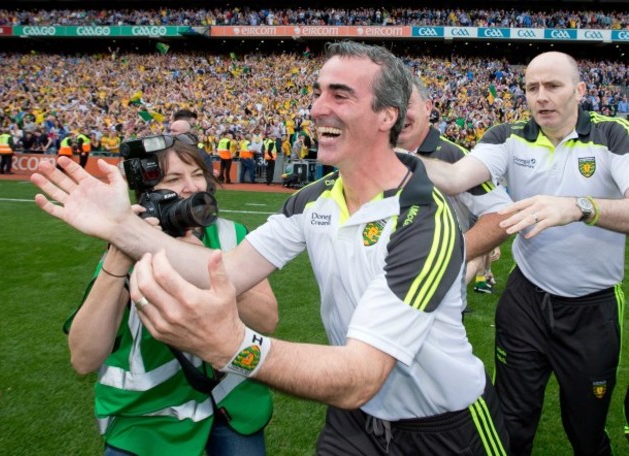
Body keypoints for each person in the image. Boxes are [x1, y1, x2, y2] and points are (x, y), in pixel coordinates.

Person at [32, 41, 509, 455]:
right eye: (318, 93)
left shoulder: (424, 220)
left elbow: (360, 373)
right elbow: (230, 270)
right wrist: (120, 227)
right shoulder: (314, 198)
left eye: (339, 95)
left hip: (444, 426)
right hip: (355, 422)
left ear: (388, 116)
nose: (318, 108)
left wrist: (233, 347)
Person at [415, 51, 629, 455]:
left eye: (553, 86)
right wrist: (391, 156)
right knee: (512, 422)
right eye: (532, 88)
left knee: (586, 430)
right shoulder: (506, 136)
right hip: (526, 301)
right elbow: (457, 176)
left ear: (580, 90)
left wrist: (580, 207)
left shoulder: (612, 135)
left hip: (592, 308)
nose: (541, 97)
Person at [65, 136, 277, 456]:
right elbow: (84, 359)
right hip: (148, 418)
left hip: (232, 405)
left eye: (197, 174)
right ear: (147, 192)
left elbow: (267, 319)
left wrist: (206, 264)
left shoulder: (229, 234)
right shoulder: (129, 244)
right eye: (174, 179)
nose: (193, 187)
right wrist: (121, 255)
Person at [395, 76, 510, 294]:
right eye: (390, 105)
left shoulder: (454, 155)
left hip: (438, 292)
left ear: (428, 107)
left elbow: (502, 214)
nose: (398, 113)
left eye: (406, 104)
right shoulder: (373, 153)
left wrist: (452, 255)